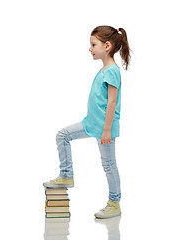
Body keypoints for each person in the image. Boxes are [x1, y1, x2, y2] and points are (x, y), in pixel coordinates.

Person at [43, 25, 131, 219]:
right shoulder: (104, 70)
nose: (90, 49)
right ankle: (66, 175)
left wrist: (107, 130)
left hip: (103, 128)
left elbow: (112, 102)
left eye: (93, 44)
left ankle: (114, 203)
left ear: (107, 46)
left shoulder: (112, 71)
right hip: (91, 123)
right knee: (63, 135)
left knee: (109, 165)